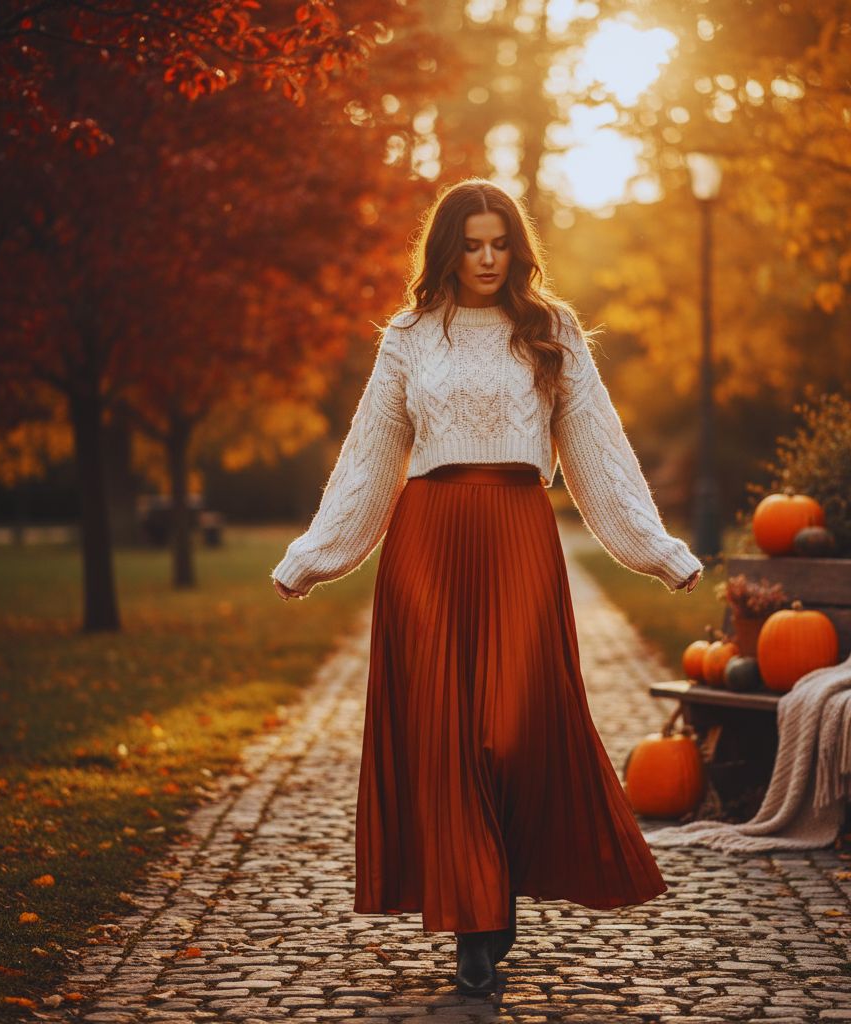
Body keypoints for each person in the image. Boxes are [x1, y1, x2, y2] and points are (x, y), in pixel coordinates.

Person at [270, 177, 703, 998]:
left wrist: (657, 550)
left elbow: (597, 452)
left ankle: (495, 881)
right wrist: (313, 556)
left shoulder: (552, 330)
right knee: (446, 730)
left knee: (512, 723)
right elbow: (370, 456)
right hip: (428, 540)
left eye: (498, 243)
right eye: (469, 244)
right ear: (446, 249)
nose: (485, 258)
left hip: (517, 534)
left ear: (518, 247)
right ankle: (473, 919)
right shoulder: (409, 336)